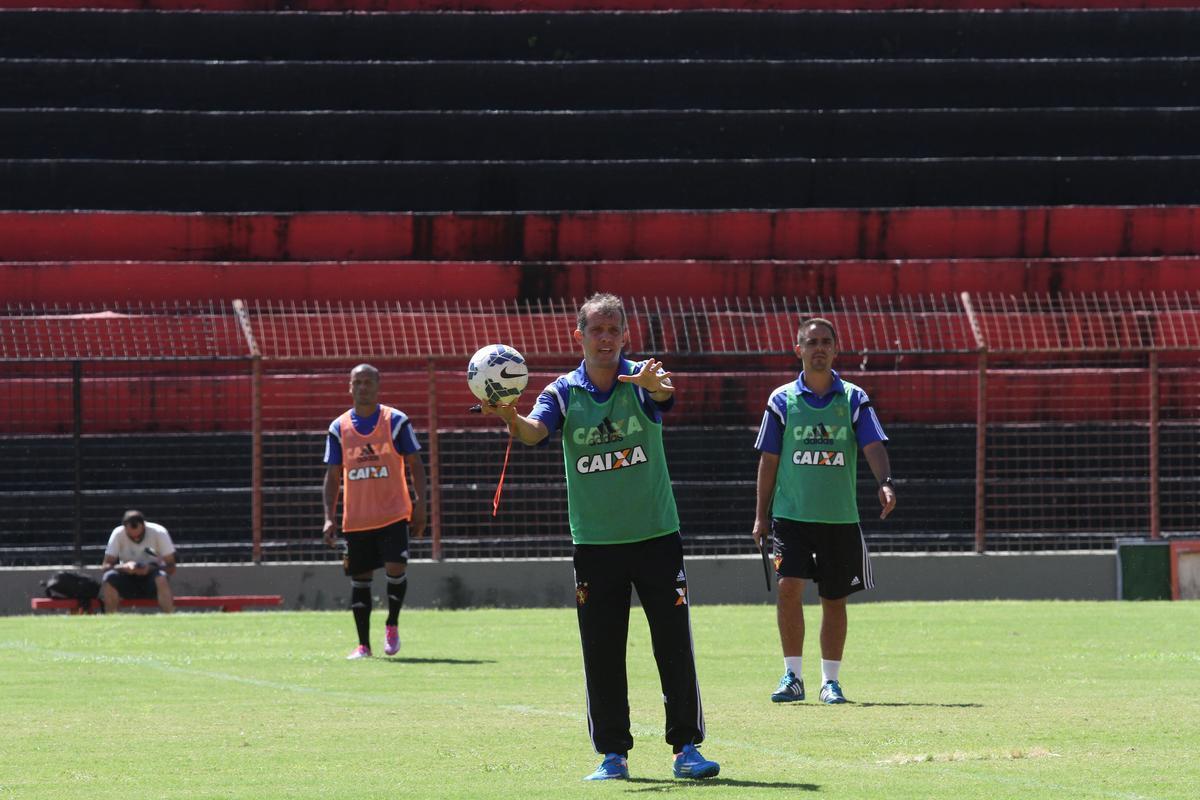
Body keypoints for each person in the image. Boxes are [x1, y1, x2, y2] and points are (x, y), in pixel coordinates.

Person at [482, 293, 720, 782]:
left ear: (626, 335)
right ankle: (613, 755)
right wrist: (508, 415)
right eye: (597, 330)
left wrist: (656, 387)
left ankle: (687, 748)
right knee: (602, 652)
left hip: (657, 537)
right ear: (580, 337)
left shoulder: (642, 380)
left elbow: (663, 397)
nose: (606, 338)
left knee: (674, 645)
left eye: (614, 330)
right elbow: (533, 433)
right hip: (595, 546)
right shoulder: (563, 392)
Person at [752, 317, 897, 705]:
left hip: (838, 518)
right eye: (810, 342)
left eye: (825, 342)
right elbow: (769, 458)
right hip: (791, 515)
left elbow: (872, 445)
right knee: (788, 588)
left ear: (836, 349)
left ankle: (830, 681)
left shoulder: (852, 398)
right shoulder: (781, 400)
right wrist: (760, 515)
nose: (818, 348)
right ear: (797, 349)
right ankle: (792, 676)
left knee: (834, 598)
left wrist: (885, 482)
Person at [323, 363, 428, 660]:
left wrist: (421, 504)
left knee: (396, 568)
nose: (363, 387)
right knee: (360, 578)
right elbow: (332, 477)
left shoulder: (395, 421)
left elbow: (415, 464)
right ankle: (363, 646)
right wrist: (329, 517)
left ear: (378, 386)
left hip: (394, 513)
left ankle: (392, 623)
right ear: (350, 386)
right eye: (357, 382)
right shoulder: (338, 428)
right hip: (356, 519)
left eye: (368, 382)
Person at [100, 510, 178, 613]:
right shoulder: (118, 533)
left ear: (144, 525)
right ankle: (111, 618)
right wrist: (124, 567)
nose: (136, 539)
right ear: (125, 528)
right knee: (109, 577)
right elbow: (105, 566)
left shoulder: (159, 532)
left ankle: (170, 617)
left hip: (152, 579)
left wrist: (150, 568)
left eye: (139, 536)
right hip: (127, 579)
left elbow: (171, 567)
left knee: (161, 577)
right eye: (131, 537)